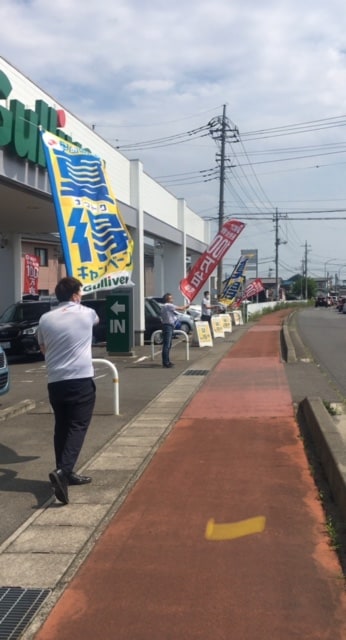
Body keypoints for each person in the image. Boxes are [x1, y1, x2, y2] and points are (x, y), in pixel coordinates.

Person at [37, 277, 99, 505]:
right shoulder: (87, 313)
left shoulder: (45, 319)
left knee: (62, 426)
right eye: (80, 292)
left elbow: (43, 348)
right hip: (80, 379)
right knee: (78, 425)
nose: (82, 295)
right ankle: (63, 472)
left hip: (55, 380)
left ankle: (65, 473)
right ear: (74, 295)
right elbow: (96, 320)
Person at [160, 293, 189, 368]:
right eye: (171, 298)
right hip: (168, 326)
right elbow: (181, 308)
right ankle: (166, 362)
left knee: (168, 345)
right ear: (167, 299)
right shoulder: (168, 305)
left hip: (166, 325)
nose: (172, 299)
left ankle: (167, 361)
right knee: (167, 345)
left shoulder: (164, 306)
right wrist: (187, 305)